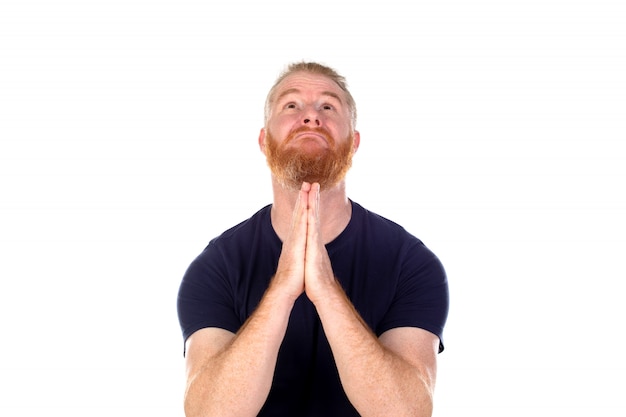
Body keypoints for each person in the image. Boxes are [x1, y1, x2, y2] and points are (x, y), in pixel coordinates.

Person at [177, 61, 449, 417]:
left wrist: (325, 290)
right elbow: (210, 412)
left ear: (353, 143)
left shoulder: (410, 263)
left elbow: (407, 412)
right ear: (264, 140)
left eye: (328, 106)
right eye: (291, 106)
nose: (310, 117)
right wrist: (282, 290)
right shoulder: (217, 266)